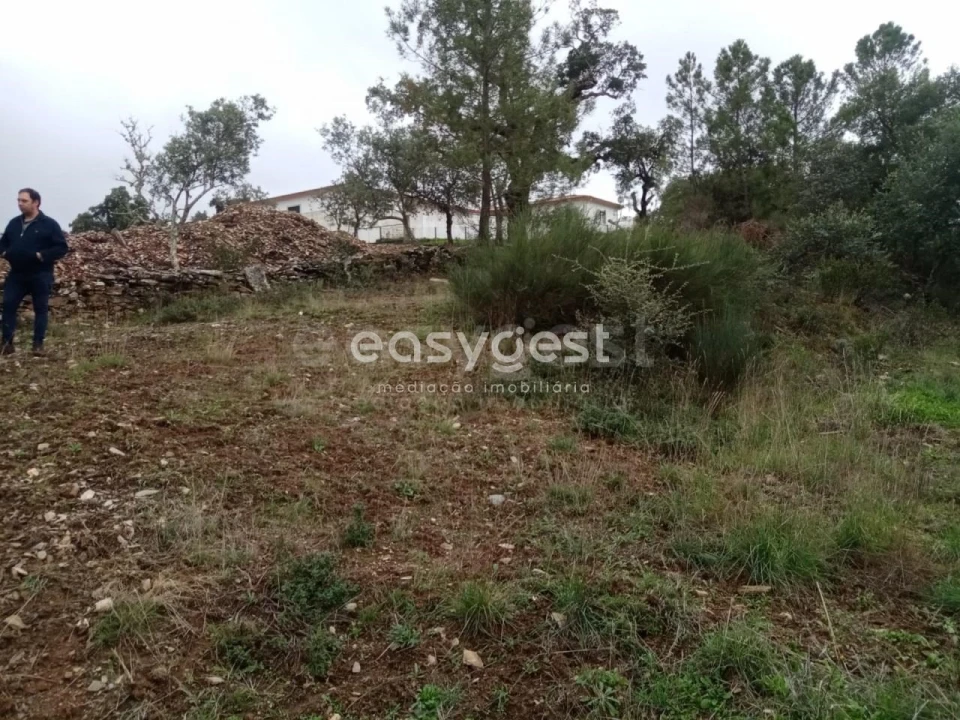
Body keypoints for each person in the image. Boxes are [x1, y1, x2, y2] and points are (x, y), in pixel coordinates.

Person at [0, 188, 69, 356]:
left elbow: (61, 247)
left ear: (36, 202)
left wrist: (41, 255)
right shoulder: (14, 223)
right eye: (18, 200)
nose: (20, 204)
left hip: (40, 274)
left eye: (24, 201)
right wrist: (4, 253)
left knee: (40, 308)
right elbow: (3, 243)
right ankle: (7, 345)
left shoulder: (49, 224)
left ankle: (38, 345)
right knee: (8, 305)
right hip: (17, 274)